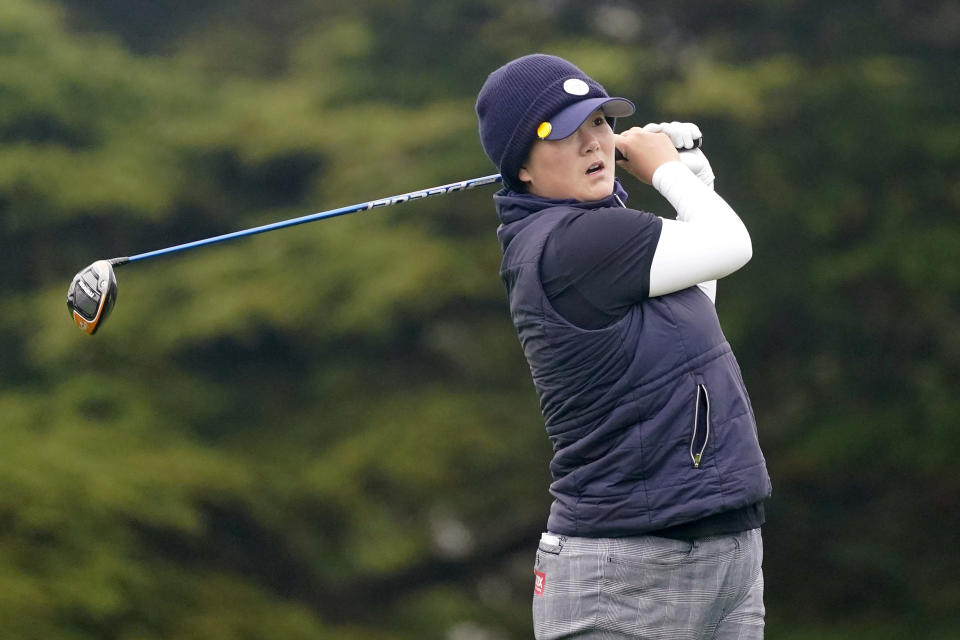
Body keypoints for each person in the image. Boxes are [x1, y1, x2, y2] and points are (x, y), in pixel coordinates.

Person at [475, 54, 772, 639]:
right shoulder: (573, 244)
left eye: (599, 124)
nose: (594, 144)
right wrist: (667, 173)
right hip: (629, 574)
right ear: (523, 170)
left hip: (714, 554)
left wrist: (697, 183)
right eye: (564, 132)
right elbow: (734, 245)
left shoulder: (601, 237)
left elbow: (693, 317)